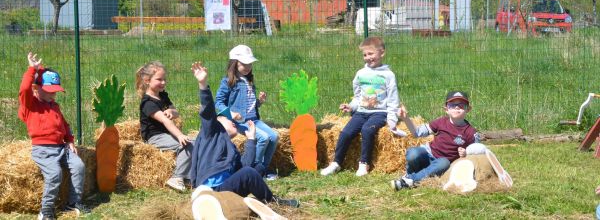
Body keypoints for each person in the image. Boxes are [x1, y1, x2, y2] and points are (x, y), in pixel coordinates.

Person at [189, 61, 300, 208]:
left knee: (258, 168)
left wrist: (251, 139)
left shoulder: (232, 149)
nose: (232, 122)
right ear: (218, 121)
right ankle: (273, 201)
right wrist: (203, 84)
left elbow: (246, 165)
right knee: (249, 172)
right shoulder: (211, 134)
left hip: (227, 189)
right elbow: (208, 111)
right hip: (211, 192)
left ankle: (249, 199)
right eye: (227, 120)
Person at [320, 36, 406, 177]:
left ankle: (364, 164)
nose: (367, 57)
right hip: (361, 112)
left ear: (382, 53)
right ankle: (336, 163)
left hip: (380, 112)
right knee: (346, 132)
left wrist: (392, 119)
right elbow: (358, 96)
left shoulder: (388, 75)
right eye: (365, 55)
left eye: (371, 54)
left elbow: (393, 98)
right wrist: (351, 107)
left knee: (367, 130)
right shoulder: (360, 74)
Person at [18, 53, 89, 220]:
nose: (53, 94)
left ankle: (73, 202)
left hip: (61, 147)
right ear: (36, 89)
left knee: (79, 166)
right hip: (42, 150)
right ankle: (46, 210)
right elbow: (24, 89)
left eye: (56, 91)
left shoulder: (54, 106)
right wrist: (33, 70)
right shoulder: (30, 105)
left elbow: (65, 125)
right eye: (50, 91)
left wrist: (69, 140)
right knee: (54, 174)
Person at [391, 90, 480, 190]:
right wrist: (405, 118)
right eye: (452, 104)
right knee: (413, 153)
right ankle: (412, 177)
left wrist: (465, 153)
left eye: (461, 105)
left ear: (468, 109)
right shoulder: (441, 122)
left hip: (441, 163)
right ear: (446, 109)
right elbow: (417, 133)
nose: (456, 107)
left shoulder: (470, 132)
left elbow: (476, 154)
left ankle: (409, 180)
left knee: (444, 163)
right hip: (428, 154)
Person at [215, 44, 279, 180]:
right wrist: (230, 114)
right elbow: (218, 102)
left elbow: (249, 105)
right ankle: (254, 167)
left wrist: (259, 102)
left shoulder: (249, 81)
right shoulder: (228, 82)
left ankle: (264, 167)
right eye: (244, 64)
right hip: (240, 122)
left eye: (250, 64)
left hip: (253, 119)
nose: (248, 67)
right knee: (263, 138)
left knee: (274, 137)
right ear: (234, 64)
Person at [136, 61, 194, 192]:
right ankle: (177, 177)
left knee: (196, 142)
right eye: (159, 79)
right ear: (147, 80)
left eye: (164, 79)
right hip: (155, 137)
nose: (163, 82)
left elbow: (175, 112)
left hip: (167, 134)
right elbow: (165, 121)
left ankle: (190, 178)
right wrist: (179, 135)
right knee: (186, 144)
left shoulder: (163, 95)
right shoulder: (147, 102)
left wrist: (171, 111)